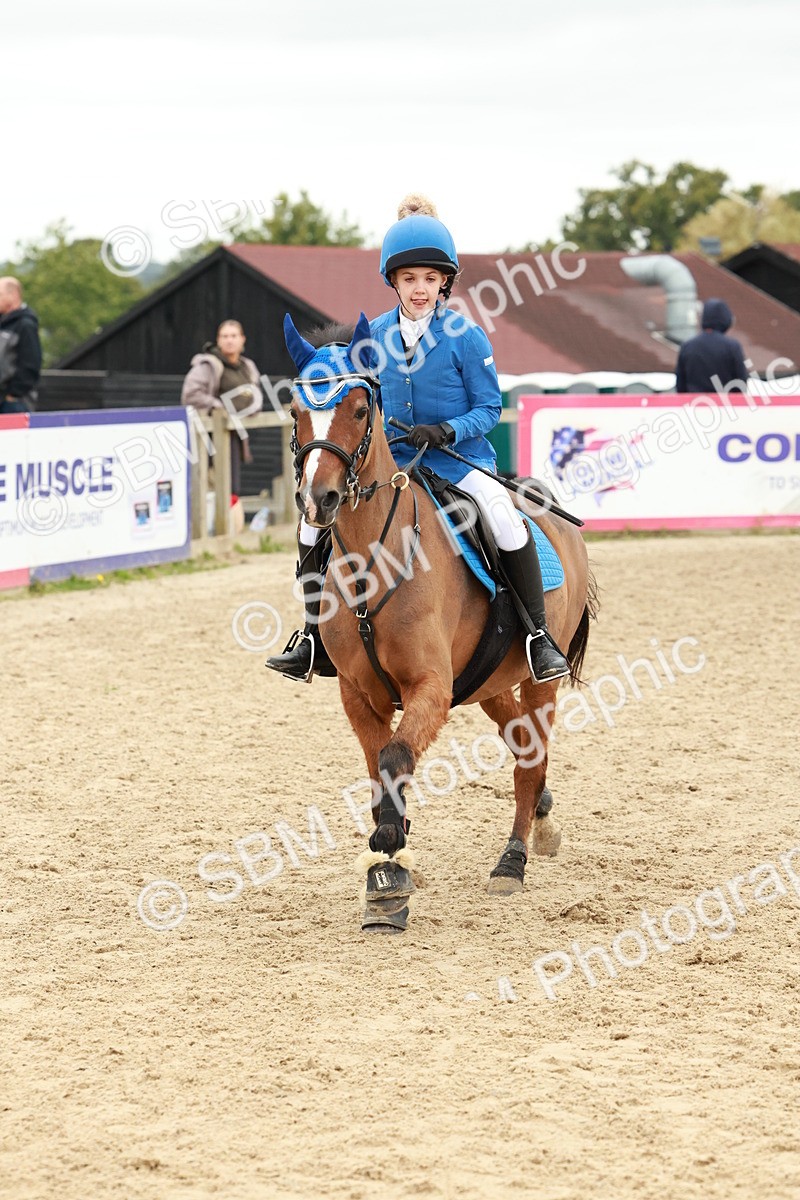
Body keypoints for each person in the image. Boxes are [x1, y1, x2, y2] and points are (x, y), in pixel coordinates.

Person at [268, 195, 570, 686]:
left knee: (501, 513)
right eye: (410, 279)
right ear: (393, 281)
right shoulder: (371, 338)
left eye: (431, 279)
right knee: (311, 525)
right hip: (392, 463)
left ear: (444, 281)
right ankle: (310, 637)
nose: (420, 289)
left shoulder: (466, 337)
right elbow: (351, 402)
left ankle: (538, 636)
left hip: (457, 460)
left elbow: (490, 409)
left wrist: (448, 429)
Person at [181, 319, 263, 496]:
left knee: (232, 487)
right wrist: (216, 405)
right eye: (224, 336)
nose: (229, 340)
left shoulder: (247, 367)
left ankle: (231, 522)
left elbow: (255, 393)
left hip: (235, 435)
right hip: (209, 438)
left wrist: (253, 407)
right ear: (218, 340)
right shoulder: (208, 365)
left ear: (242, 339)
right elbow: (190, 394)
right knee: (213, 486)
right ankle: (214, 523)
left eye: (233, 336)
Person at [675, 299, 749, 394]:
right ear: (725, 319)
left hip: (695, 405)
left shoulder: (687, 346)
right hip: (726, 405)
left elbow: (680, 385)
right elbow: (741, 383)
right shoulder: (732, 347)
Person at [0, 277, 42, 414]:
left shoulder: (25, 325)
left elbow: (31, 364)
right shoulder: (4, 323)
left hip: (14, 403)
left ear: (13, 295)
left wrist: (13, 395)